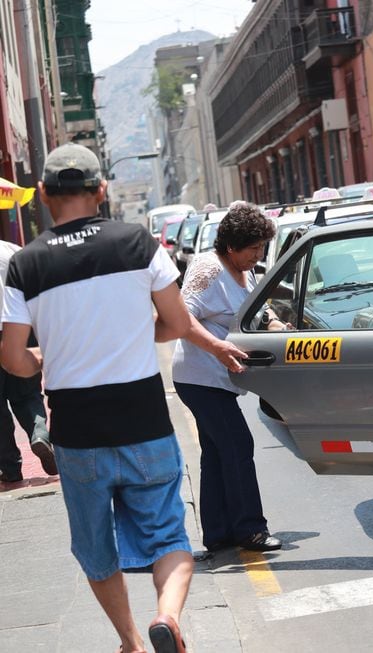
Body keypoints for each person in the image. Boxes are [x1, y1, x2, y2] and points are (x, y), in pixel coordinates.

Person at [0, 143, 194, 653]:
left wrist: (43, 359)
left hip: (77, 435)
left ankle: (130, 643)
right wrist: (130, 332)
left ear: (43, 194)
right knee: (169, 539)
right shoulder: (137, 243)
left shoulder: (26, 264)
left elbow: (12, 358)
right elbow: (175, 323)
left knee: (95, 549)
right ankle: (166, 617)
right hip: (145, 423)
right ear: (101, 191)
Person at [171, 202, 284, 555]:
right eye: (253, 248)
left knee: (217, 453)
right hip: (199, 377)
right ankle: (250, 530)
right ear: (232, 245)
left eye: (262, 247)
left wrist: (275, 323)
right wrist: (218, 348)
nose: (258, 255)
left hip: (220, 378)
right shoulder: (208, 268)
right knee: (237, 445)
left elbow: (254, 309)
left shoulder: (244, 270)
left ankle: (219, 533)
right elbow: (180, 318)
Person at [0, 240, 57, 483]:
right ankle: (39, 433)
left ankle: (11, 470)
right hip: (19, 327)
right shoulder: (13, 251)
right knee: (28, 393)